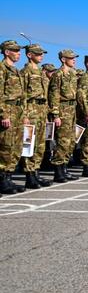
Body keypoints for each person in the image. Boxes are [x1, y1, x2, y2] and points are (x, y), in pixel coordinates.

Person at [20, 44, 52, 188]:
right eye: (38, 53)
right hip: (31, 109)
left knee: (40, 144)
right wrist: (25, 114)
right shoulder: (25, 71)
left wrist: (45, 113)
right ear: (29, 55)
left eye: (41, 54)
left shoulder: (41, 72)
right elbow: (22, 95)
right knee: (29, 144)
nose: (41, 56)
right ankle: (29, 175)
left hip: (41, 109)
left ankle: (36, 173)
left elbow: (45, 95)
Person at [0, 40, 28, 193]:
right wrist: (4, 114)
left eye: (19, 50)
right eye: (15, 50)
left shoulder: (15, 70)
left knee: (16, 146)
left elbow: (21, 95)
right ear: (6, 52)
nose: (18, 53)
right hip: (8, 110)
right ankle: (2, 179)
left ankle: (9, 177)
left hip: (17, 111)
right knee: (6, 146)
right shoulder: (2, 69)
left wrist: (23, 114)